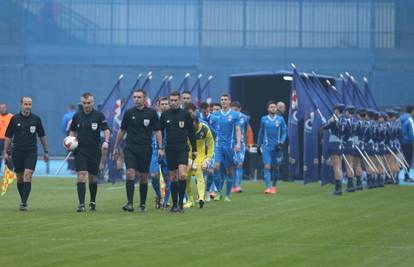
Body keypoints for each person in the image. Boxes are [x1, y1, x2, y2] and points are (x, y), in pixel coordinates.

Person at [113, 90, 163, 212]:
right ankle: (129, 203)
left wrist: (160, 148)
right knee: (130, 173)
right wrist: (115, 146)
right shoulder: (129, 113)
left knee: (144, 177)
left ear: (144, 98)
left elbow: (157, 131)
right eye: (135, 97)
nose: (136, 99)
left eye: (139, 97)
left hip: (145, 149)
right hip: (130, 148)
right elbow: (122, 130)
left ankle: (142, 204)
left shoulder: (151, 113)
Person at [3, 97, 49, 211]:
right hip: (17, 151)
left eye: (29, 104)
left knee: (27, 175)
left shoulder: (36, 119)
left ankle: (24, 203)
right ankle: (22, 198)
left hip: (31, 152)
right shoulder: (14, 119)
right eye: (25, 104)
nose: (27, 106)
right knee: (20, 178)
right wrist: (5, 152)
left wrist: (46, 151)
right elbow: (8, 136)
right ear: (21, 105)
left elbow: (42, 136)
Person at [69, 92, 110, 212]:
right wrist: (70, 142)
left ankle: (92, 202)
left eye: (89, 103)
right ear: (81, 103)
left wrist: (106, 141)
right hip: (80, 151)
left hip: (94, 151)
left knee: (93, 178)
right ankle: (81, 204)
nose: (87, 105)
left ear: (93, 102)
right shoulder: (77, 116)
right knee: (81, 175)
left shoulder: (99, 116)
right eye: (84, 103)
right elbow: (73, 132)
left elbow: (106, 129)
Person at [160, 91, 197, 213]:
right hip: (170, 149)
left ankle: (181, 203)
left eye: (176, 100)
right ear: (169, 101)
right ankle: (174, 204)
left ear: (179, 101)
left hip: (182, 149)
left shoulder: (185, 114)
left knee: (182, 175)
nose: (174, 102)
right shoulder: (165, 115)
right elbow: (159, 131)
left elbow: (191, 132)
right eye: (172, 100)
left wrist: (195, 149)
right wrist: (160, 147)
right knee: (173, 177)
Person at [209, 94, 241, 201]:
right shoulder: (215, 115)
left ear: (229, 101)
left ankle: (227, 195)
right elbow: (210, 130)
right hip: (218, 145)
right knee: (216, 167)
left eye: (225, 100)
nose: (223, 101)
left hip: (230, 146)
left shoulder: (235, 115)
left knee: (229, 171)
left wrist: (238, 144)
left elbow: (237, 129)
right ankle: (218, 191)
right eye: (222, 100)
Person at [184, 103, 214, 208]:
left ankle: (201, 198)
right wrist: (188, 160)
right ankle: (190, 200)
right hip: (187, 155)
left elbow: (211, 143)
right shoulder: (184, 129)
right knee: (186, 177)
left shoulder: (205, 128)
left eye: (194, 126)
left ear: (197, 123)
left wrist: (208, 159)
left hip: (200, 155)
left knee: (199, 173)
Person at [257, 101, 287, 194]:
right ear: (268, 109)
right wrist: (258, 145)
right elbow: (261, 132)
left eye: (274, 107)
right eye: (271, 107)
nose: (273, 108)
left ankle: (274, 186)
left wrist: (281, 142)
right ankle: (268, 187)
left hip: (276, 147)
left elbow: (284, 132)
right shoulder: (264, 119)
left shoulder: (280, 119)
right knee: (267, 165)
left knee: (276, 167)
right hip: (266, 146)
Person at [322, 104, 347, 195]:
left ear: (337, 110)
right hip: (341, 143)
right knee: (339, 167)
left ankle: (338, 189)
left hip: (334, 143)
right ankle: (339, 188)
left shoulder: (334, 120)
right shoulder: (344, 120)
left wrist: (325, 121)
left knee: (336, 167)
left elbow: (324, 126)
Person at [230, 101, 249, 193]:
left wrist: (247, 143)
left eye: (236, 110)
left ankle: (238, 185)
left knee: (240, 164)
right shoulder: (229, 117)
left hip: (241, 144)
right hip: (230, 143)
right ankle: (233, 185)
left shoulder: (245, 118)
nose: (235, 112)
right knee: (233, 165)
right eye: (233, 110)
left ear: (240, 109)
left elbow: (245, 131)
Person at [400, 105, 414, 182]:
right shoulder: (410, 119)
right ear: (412, 111)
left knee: (403, 159)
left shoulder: (400, 118)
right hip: (408, 142)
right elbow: (412, 133)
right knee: (408, 159)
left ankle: (396, 176)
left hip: (400, 142)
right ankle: (406, 176)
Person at [61, 104, 76, 172]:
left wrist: (67, 135)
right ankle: (77, 167)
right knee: (77, 152)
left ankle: (71, 167)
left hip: (69, 135)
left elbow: (64, 127)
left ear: (69, 108)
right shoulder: (77, 114)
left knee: (69, 151)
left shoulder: (66, 116)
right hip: (78, 135)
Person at [0, 103, 13, 171]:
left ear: (6, 108)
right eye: (0, 108)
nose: (2, 109)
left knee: (9, 158)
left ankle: (9, 173)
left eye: (3, 108)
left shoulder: (11, 117)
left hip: (8, 140)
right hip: (0, 140)